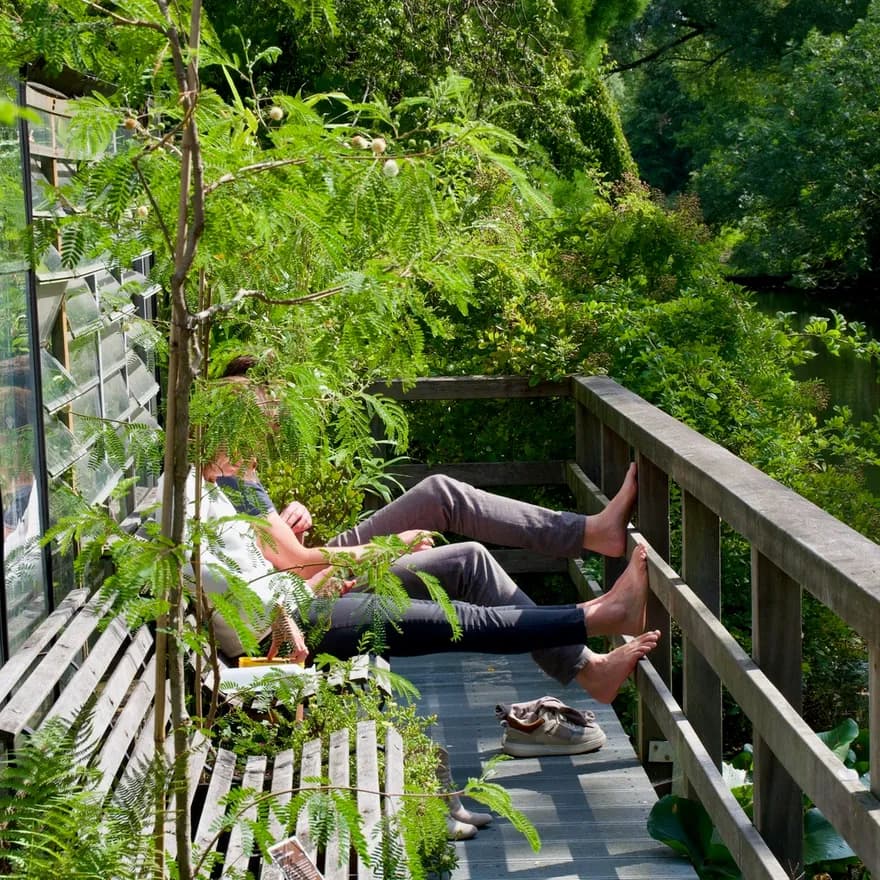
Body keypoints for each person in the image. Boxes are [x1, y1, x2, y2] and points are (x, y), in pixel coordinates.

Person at [197, 448, 659, 705]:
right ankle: (593, 624)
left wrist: (283, 518)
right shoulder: (223, 475)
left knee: (453, 524)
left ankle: (593, 562)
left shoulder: (232, 474)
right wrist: (381, 550)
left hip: (300, 585)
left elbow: (266, 555)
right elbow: (294, 563)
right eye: (267, 407)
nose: (274, 425)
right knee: (461, 554)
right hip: (304, 591)